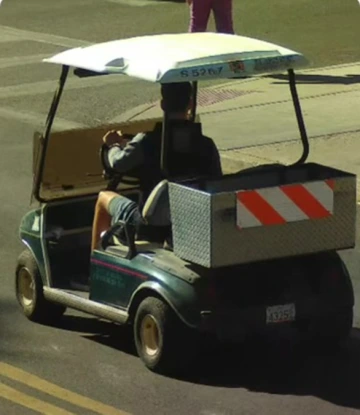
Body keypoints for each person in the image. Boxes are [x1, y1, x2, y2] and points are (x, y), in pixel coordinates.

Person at [91, 82, 222, 251]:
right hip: (190, 220)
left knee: (104, 197)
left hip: (148, 225)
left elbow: (117, 163)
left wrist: (112, 145)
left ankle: (95, 261)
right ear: (190, 104)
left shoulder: (146, 141)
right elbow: (217, 180)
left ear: (162, 104)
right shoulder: (206, 145)